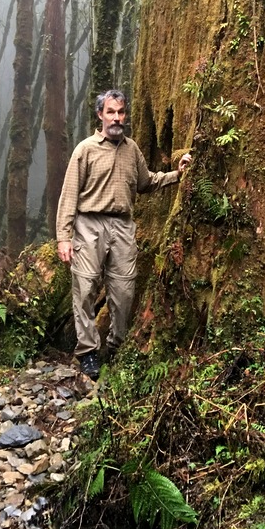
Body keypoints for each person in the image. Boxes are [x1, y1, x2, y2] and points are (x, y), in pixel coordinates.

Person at [56, 89, 191, 378]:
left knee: (124, 290)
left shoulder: (132, 149)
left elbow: (147, 182)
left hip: (123, 227)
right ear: (100, 115)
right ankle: (88, 352)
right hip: (88, 225)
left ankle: (117, 346)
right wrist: (64, 237)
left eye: (120, 112)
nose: (117, 118)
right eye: (111, 112)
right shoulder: (86, 149)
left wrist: (177, 175)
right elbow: (68, 196)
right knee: (85, 290)